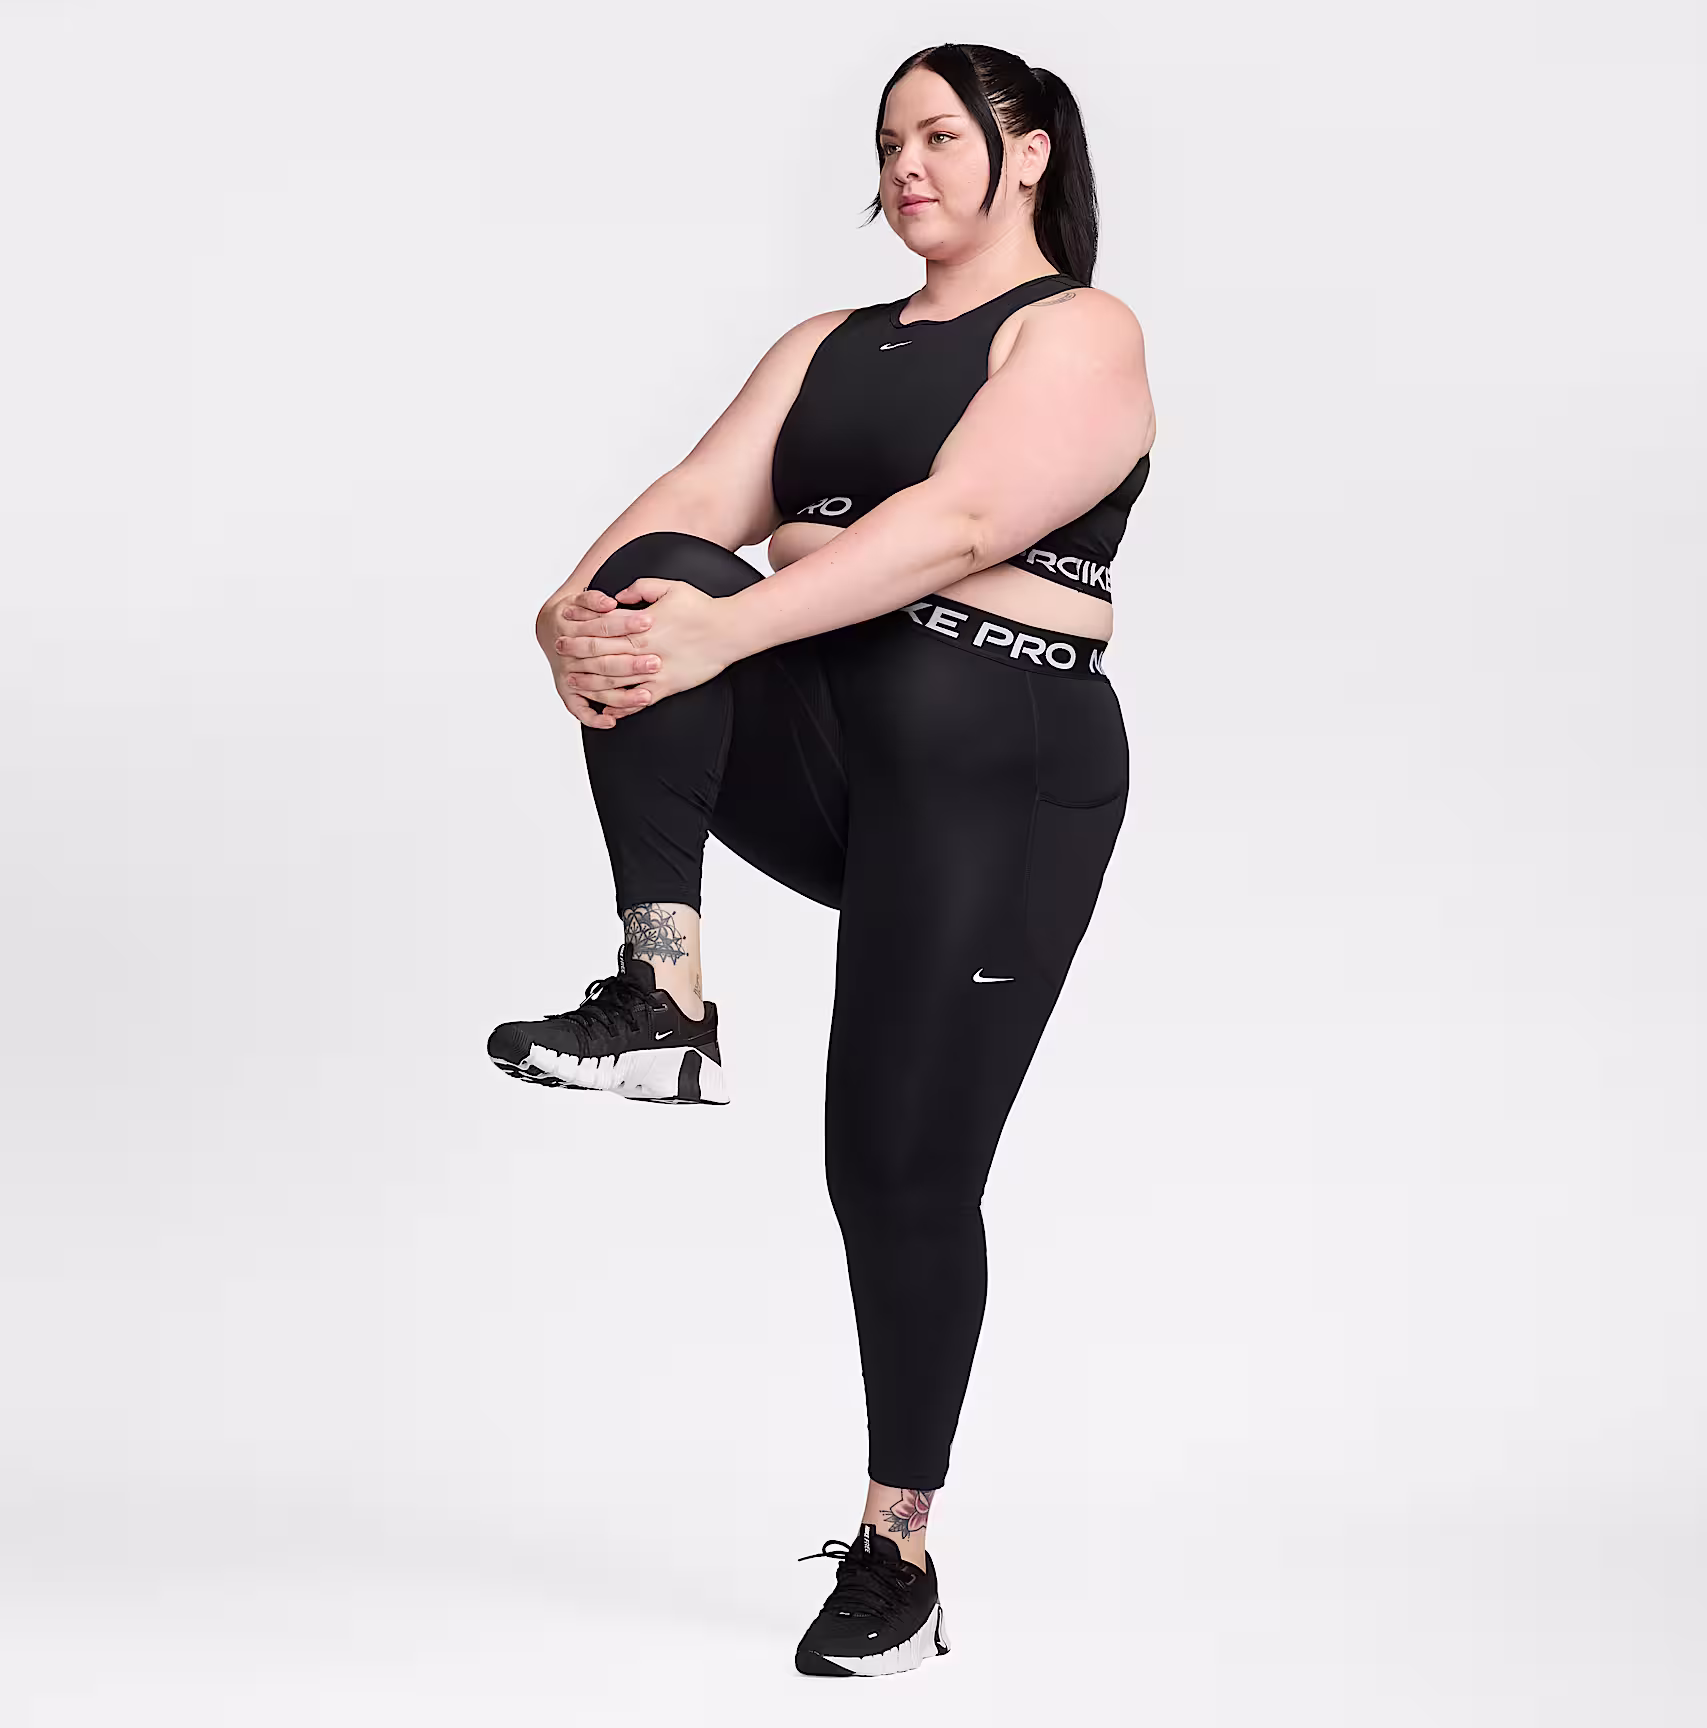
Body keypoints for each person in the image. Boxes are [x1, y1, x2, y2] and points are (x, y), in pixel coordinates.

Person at [488, 42, 1154, 1676]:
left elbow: (960, 526)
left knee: (896, 1173)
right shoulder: (826, 343)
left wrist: (731, 626)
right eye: (888, 140)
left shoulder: (1077, 332)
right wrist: (568, 613)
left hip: (999, 773)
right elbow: (694, 502)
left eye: (942, 134)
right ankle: (663, 992)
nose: (906, 164)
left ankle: (897, 1550)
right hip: (840, 739)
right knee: (651, 573)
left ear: (1029, 150)